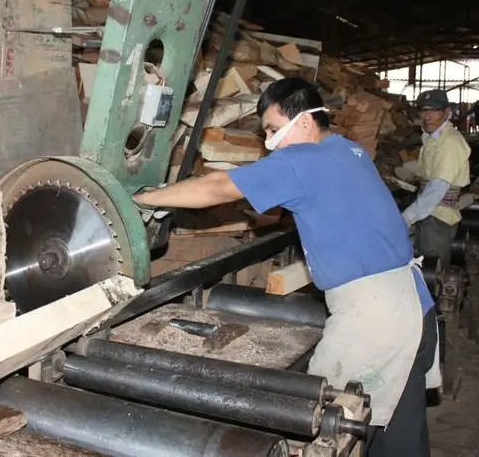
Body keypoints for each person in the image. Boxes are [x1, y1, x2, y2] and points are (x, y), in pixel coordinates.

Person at [133, 78, 438, 457]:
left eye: (274, 130)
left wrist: (145, 199)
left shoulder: (303, 159)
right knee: (397, 441)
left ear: (306, 122)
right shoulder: (346, 150)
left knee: (323, 429)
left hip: (374, 323)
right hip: (413, 310)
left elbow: (217, 187)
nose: (268, 142)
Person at [402, 89, 471, 278]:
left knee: (430, 272)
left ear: (447, 112)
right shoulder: (433, 138)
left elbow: (436, 190)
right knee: (424, 266)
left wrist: (406, 219)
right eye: (423, 111)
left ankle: (434, 307)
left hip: (438, 218)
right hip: (430, 214)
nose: (427, 117)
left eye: (433, 111)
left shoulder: (450, 142)